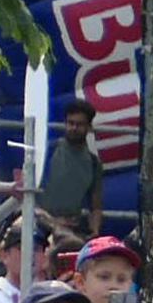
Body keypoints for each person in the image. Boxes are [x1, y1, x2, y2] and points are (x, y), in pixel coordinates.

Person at [40, 98, 105, 238]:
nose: (74, 128)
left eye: (80, 124)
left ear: (89, 127)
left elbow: (96, 206)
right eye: (71, 123)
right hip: (39, 225)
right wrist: (49, 220)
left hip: (71, 229)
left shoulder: (93, 163)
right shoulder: (48, 151)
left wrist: (94, 232)